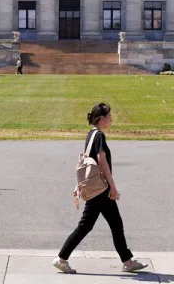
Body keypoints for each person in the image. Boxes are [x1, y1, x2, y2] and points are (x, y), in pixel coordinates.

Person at [53, 103, 148, 274]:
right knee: (114, 224)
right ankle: (127, 262)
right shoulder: (99, 137)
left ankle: (63, 258)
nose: (111, 119)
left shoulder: (91, 135)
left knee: (89, 225)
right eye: (109, 116)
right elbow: (101, 161)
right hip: (100, 189)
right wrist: (112, 186)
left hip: (94, 189)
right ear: (102, 119)